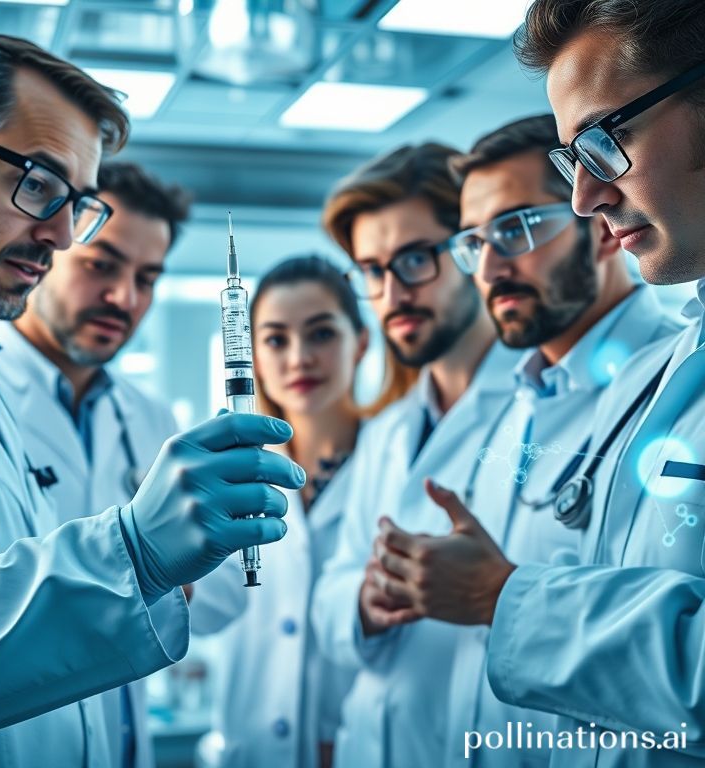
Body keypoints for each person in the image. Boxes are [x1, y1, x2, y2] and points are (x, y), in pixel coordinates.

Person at [0, 26, 303, 764]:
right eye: (36, 182)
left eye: (78, 204)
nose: (62, 235)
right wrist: (131, 556)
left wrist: (152, 561)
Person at [369, 2, 705, 766]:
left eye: (605, 139)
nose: (586, 195)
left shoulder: (651, 372)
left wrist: (506, 599)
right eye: (571, 161)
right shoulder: (679, 365)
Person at [311, 143, 521, 768]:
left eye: (413, 260)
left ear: (473, 248)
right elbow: (331, 593)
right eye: (372, 271)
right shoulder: (386, 433)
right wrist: (365, 603)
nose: (392, 292)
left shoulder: (544, 409)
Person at [0, 161, 190, 768]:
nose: (124, 299)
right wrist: (143, 568)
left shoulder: (152, 420)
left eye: (148, 278)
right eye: (103, 265)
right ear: (52, 250)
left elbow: (226, 592)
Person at [189, 255, 368, 768]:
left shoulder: (397, 459)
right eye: (274, 339)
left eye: (321, 334)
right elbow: (204, 610)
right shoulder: (230, 473)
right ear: (250, 354)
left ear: (360, 342)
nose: (298, 358)